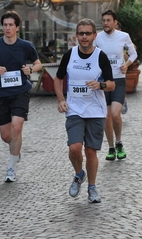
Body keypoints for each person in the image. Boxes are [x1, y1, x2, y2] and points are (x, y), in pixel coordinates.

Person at [0, 10, 42, 182]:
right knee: (7, 135)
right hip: (0, 93)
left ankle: (11, 168)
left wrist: (30, 70)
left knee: (17, 127)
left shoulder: (25, 46)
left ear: (17, 27)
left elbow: (38, 64)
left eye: (11, 25)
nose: (7, 28)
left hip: (20, 91)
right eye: (5, 25)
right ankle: (16, 150)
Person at [54, 18, 115, 203]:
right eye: (81, 33)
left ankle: (92, 188)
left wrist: (100, 84)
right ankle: (79, 174)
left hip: (96, 111)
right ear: (76, 36)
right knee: (74, 148)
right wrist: (60, 100)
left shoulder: (100, 56)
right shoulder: (69, 55)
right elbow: (58, 79)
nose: (84, 37)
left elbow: (112, 84)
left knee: (90, 152)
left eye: (88, 33)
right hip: (74, 109)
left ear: (94, 36)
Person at [94, 10, 137, 161]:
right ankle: (111, 147)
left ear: (115, 22)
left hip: (119, 80)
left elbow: (133, 54)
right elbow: (91, 54)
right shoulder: (97, 37)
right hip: (103, 81)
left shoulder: (123, 36)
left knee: (115, 114)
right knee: (106, 117)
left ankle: (119, 142)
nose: (105, 23)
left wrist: (126, 64)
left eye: (108, 20)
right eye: (103, 20)